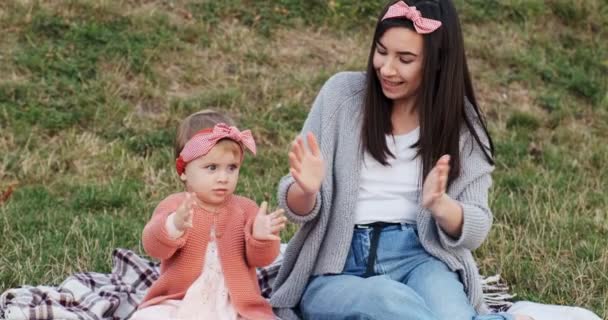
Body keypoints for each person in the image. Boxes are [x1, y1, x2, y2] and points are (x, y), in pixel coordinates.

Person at [270, 1, 532, 319]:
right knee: (385, 301)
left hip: (420, 258)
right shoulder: (341, 96)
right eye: (381, 52)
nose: (387, 68)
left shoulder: (461, 124)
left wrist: (441, 205)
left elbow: (476, 228)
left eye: (405, 59)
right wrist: (307, 191)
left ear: (436, 62)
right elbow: (295, 206)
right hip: (336, 266)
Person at [131, 110, 286, 320]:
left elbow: (263, 259)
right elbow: (154, 248)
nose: (223, 177)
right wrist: (173, 226)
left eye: (231, 168)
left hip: (234, 303)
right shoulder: (177, 205)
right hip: (179, 299)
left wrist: (261, 238)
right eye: (212, 168)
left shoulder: (246, 209)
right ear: (184, 170)